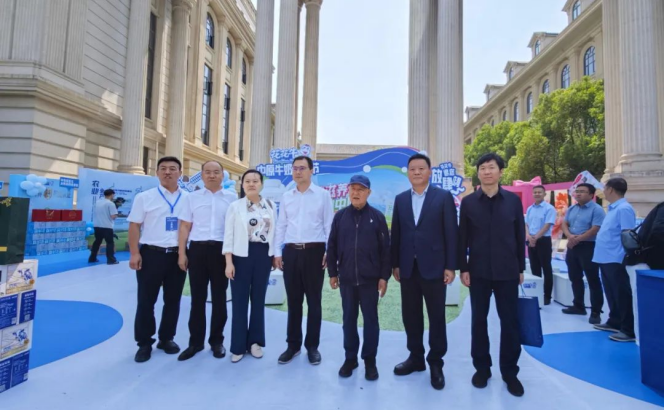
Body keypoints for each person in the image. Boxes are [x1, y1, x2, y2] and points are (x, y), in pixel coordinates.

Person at [458, 153, 525, 397]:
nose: (487, 172)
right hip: (478, 272)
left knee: (510, 322)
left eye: (491, 167)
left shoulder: (513, 201)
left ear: (500, 172)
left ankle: (510, 372)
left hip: (508, 271)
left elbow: (519, 235)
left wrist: (520, 268)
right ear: (478, 173)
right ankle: (482, 369)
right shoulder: (468, 203)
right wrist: (463, 268)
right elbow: (462, 238)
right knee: (479, 321)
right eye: (483, 168)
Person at [390, 153, 458, 391]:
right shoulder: (400, 199)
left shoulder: (443, 197)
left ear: (429, 172)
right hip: (408, 268)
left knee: (436, 317)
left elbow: (451, 233)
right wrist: (395, 264)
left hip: (435, 268)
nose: (417, 172)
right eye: (412, 169)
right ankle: (416, 357)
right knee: (411, 315)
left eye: (421, 168)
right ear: (407, 173)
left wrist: (450, 266)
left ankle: (436, 362)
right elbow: (396, 234)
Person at [327, 175, 390, 381]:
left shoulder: (377, 217)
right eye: (353, 189)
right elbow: (332, 246)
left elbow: (386, 250)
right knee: (348, 320)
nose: (356, 193)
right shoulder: (340, 217)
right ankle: (350, 358)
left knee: (371, 320)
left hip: (370, 280)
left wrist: (384, 277)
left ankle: (370, 361)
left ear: (368, 193)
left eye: (361, 189)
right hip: (346, 279)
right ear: (348, 191)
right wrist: (333, 273)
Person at [274, 156, 334, 365]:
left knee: (314, 302)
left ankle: (312, 347)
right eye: (295, 168)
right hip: (291, 253)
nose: (298, 172)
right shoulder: (286, 196)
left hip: (315, 253)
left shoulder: (322, 195)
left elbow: (329, 225)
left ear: (311, 170)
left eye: (302, 168)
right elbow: (281, 225)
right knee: (294, 302)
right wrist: (277, 252)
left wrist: (329, 251)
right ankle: (293, 345)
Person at [128, 156, 188, 363]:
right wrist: (134, 253)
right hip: (151, 254)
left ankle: (166, 338)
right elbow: (134, 225)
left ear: (180, 173)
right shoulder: (145, 197)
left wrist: (184, 254)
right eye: (163, 168)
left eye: (172, 168)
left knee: (173, 300)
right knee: (146, 301)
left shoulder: (188, 198)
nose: (167, 172)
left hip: (178, 256)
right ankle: (144, 343)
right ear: (157, 172)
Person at [176, 161, 237, 361]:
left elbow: (234, 228)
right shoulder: (191, 198)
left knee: (219, 298)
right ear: (202, 175)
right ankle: (195, 343)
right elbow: (185, 226)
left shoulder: (232, 198)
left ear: (222, 175)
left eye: (216, 172)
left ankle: (217, 341)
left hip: (221, 251)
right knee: (197, 298)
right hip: (197, 250)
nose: (212, 175)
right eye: (208, 172)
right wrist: (182, 253)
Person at [223, 169, 277, 363]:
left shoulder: (270, 205)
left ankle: (255, 342)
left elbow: (275, 232)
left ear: (261, 184)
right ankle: (238, 346)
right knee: (239, 302)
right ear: (242, 184)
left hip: (263, 256)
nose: (251, 184)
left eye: (255, 181)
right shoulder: (235, 206)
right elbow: (228, 235)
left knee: (258, 300)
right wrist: (229, 262)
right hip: (240, 256)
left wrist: (274, 255)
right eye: (247, 181)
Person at [592, 178, 636, 342]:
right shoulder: (613, 209)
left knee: (621, 293)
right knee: (611, 292)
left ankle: (628, 329)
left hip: (615, 258)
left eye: (605, 188)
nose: (603, 191)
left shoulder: (624, 209)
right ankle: (614, 320)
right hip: (605, 257)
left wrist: (623, 256)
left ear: (610, 189)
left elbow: (627, 235)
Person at [561, 183, 605, 324]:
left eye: (582, 191)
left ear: (591, 195)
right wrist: (570, 236)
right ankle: (578, 306)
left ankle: (596, 311)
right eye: (577, 191)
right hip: (573, 246)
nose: (578, 193)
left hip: (588, 247)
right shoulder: (572, 208)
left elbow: (595, 228)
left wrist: (577, 239)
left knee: (593, 279)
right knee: (575, 277)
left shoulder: (597, 209)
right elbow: (565, 224)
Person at [525, 185, 556, 304]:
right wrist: (528, 236)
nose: (537, 194)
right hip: (531, 240)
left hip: (543, 241)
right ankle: (537, 293)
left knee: (546, 268)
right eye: (535, 192)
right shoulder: (530, 209)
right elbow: (526, 224)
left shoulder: (549, 208)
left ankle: (547, 295)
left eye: (539, 192)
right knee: (534, 267)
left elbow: (547, 225)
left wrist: (536, 237)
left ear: (544, 194)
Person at [89, 188, 119, 264]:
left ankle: (92, 258)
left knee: (97, 242)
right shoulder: (111, 204)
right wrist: (117, 213)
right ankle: (111, 260)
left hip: (97, 225)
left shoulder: (97, 202)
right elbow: (113, 216)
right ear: (112, 195)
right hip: (107, 226)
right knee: (110, 243)